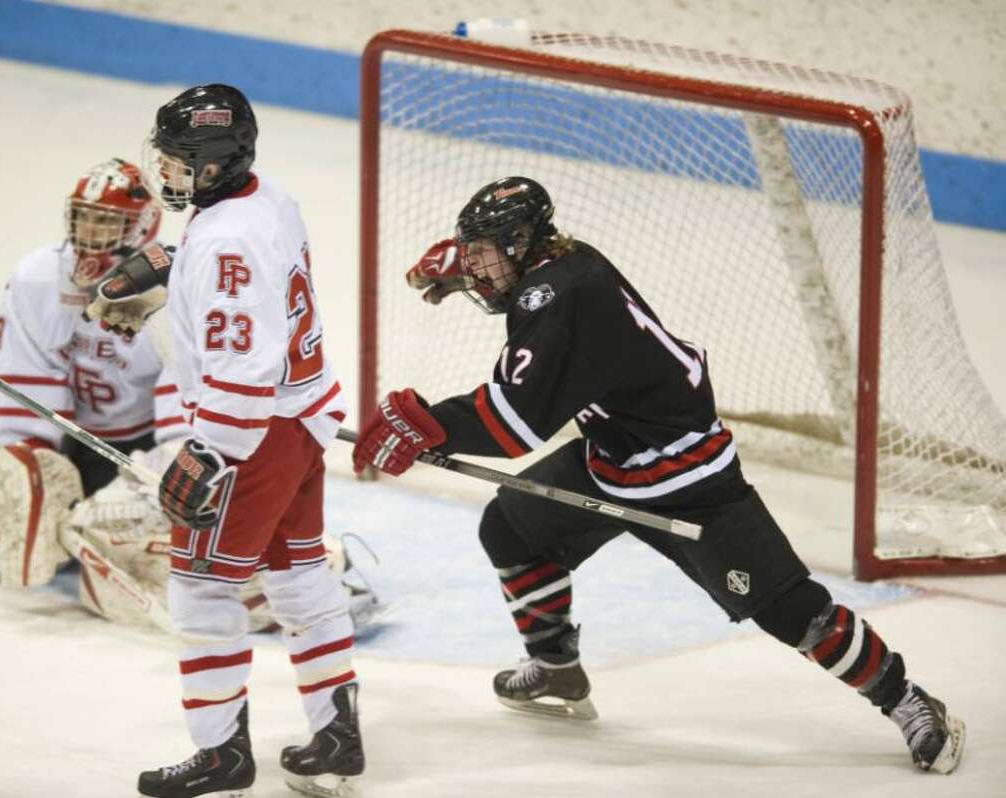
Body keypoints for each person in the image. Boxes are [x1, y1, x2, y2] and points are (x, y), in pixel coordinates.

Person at [353, 176, 966, 775]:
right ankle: (557, 667)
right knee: (510, 529)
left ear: (521, 244)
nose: (477, 269)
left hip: (690, 480)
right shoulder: (558, 265)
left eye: (485, 255)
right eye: (474, 254)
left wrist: (425, 424)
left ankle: (908, 700)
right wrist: (464, 269)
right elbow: (531, 338)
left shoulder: (560, 296)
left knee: (791, 612)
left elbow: (515, 425)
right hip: (613, 457)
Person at [116, 84, 363, 798]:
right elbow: (241, 293)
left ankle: (222, 754)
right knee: (298, 577)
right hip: (301, 418)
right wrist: (169, 270)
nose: (165, 173)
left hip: (253, 433)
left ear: (215, 164)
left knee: (200, 589)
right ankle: (336, 735)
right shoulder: (264, 200)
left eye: (178, 162)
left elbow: (243, 358)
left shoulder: (226, 241)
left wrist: (211, 450)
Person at [0, 158, 187, 590]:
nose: (90, 233)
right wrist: (28, 459)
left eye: (107, 223)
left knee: (165, 528)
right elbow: (23, 372)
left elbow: (183, 378)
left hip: (144, 446)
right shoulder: (38, 279)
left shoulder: (169, 286)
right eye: (84, 218)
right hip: (75, 442)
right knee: (21, 485)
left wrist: (171, 461)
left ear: (142, 228)